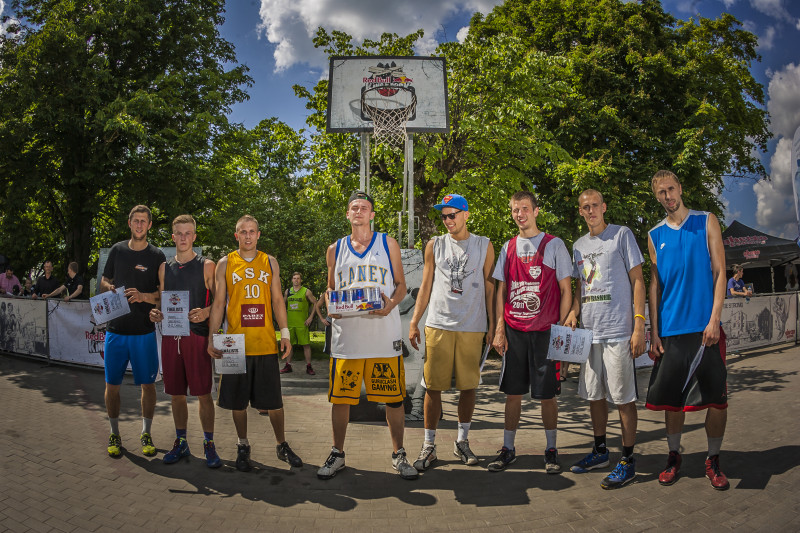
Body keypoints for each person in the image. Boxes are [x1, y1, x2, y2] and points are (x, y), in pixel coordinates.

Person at [317, 190, 417, 481]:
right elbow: (330, 288)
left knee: (394, 400)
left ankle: (399, 454)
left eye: (364, 208)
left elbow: (400, 285)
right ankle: (337, 454)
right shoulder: (335, 248)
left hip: (382, 339)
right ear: (347, 214)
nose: (358, 211)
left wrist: (391, 304)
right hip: (347, 340)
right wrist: (330, 304)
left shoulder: (388, 243)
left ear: (372, 214)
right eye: (353, 208)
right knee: (341, 400)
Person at [647, 170, 729, 491]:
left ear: (680, 188)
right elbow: (655, 285)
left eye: (671, 189)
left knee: (717, 401)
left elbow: (721, 272)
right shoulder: (654, 235)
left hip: (706, 329)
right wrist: (654, 332)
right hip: (671, 332)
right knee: (673, 403)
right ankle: (673, 455)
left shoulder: (706, 220)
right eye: (661, 193)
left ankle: (713, 458)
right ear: (656, 197)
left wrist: (714, 319)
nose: (668, 196)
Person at [563, 189, 646, 489]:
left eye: (595, 205)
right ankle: (600, 451)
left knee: (623, 398)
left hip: (619, 332)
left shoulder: (621, 235)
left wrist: (640, 324)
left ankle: (628, 460)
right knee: (594, 396)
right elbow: (581, 289)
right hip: (590, 333)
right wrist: (573, 314)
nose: (590, 211)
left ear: (604, 207)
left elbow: (638, 280)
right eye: (585, 207)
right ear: (581, 212)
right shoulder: (578, 246)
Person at [207, 215, 302, 472]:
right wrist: (211, 336)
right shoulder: (225, 263)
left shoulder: (269, 262)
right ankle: (242, 444)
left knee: (274, 402)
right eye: (242, 232)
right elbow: (218, 304)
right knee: (237, 402)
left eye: (252, 231)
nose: (248, 236)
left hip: (264, 342)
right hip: (233, 343)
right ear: (236, 235)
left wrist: (285, 333)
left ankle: (281, 444)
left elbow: (278, 301)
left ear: (258, 234)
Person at [407, 193, 495, 471]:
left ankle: (462, 442)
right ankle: (429, 445)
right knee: (432, 386)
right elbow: (425, 286)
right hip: (438, 324)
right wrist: (414, 320)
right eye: (443, 216)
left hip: (472, 326)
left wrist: (495, 325)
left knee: (469, 386)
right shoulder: (435, 244)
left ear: (466, 214)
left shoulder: (484, 245)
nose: (447, 220)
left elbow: (491, 287)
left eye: (452, 214)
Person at [490, 191, 572, 473]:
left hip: (545, 332)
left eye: (525, 208)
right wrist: (499, 329)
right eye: (515, 210)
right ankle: (508, 448)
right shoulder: (508, 246)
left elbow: (565, 291)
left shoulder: (554, 245)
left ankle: (551, 450)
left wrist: (561, 332)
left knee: (547, 395)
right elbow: (501, 290)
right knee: (512, 394)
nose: (520, 214)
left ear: (536, 211)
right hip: (514, 331)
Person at [149, 215, 221, 468]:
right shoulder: (163, 268)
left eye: (187, 233)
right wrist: (155, 313)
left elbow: (222, 302)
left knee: (203, 395)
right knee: (176, 394)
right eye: (178, 233)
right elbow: (160, 302)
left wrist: (206, 311)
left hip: (197, 338)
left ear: (194, 236)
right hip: (171, 338)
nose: (183, 238)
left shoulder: (207, 265)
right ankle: (181, 442)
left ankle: (209, 444)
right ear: (172, 237)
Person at [100, 205, 166, 458]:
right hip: (115, 331)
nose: (139, 225)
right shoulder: (117, 250)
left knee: (148, 386)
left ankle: (146, 432)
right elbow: (104, 281)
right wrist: (109, 288)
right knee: (111, 385)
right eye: (135, 221)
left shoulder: (157, 255)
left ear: (149, 225)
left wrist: (143, 296)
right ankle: (114, 433)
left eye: (144, 221)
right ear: (129, 223)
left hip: (144, 333)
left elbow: (164, 294)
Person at [281, 272, 324, 375]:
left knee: (306, 345)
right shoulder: (288, 291)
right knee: (289, 345)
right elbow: (281, 305)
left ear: (301, 280)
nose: (296, 280)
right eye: (294, 278)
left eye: (298, 278)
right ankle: (288, 366)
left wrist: (310, 317)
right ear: (292, 280)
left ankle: (309, 366)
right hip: (290, 323)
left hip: (302, 323)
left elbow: (315, 303)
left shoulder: (306, 291)